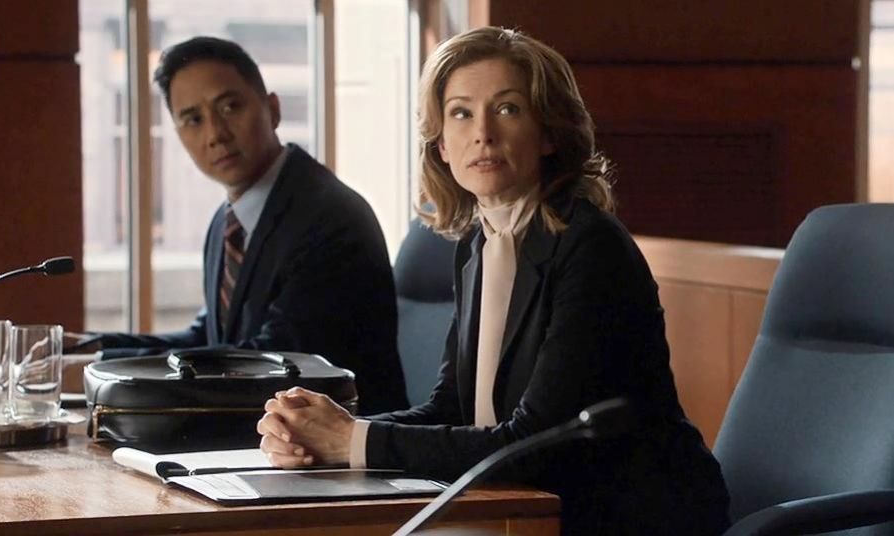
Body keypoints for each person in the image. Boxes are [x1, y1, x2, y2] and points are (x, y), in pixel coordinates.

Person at [256, 27, 731, 534]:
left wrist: (353, 441)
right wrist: (323, 430)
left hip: (630, 517)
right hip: (526, 506)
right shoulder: (477, 245)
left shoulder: (591, 247)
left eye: (507, 109)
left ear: (549, 134)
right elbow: (453, 408)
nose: (483, 132)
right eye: (461, 113)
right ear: (441, 144)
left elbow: (535, 444)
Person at [76, 37, 408, 415]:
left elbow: (272, 361)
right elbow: (208, 339)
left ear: (273, 110)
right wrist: (95, 351)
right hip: (260, 432)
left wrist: (101, 373)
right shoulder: (228, 220)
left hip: (343, 442)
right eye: (193, 120)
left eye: (230, 107)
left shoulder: (330, 218)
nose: (215, 134)